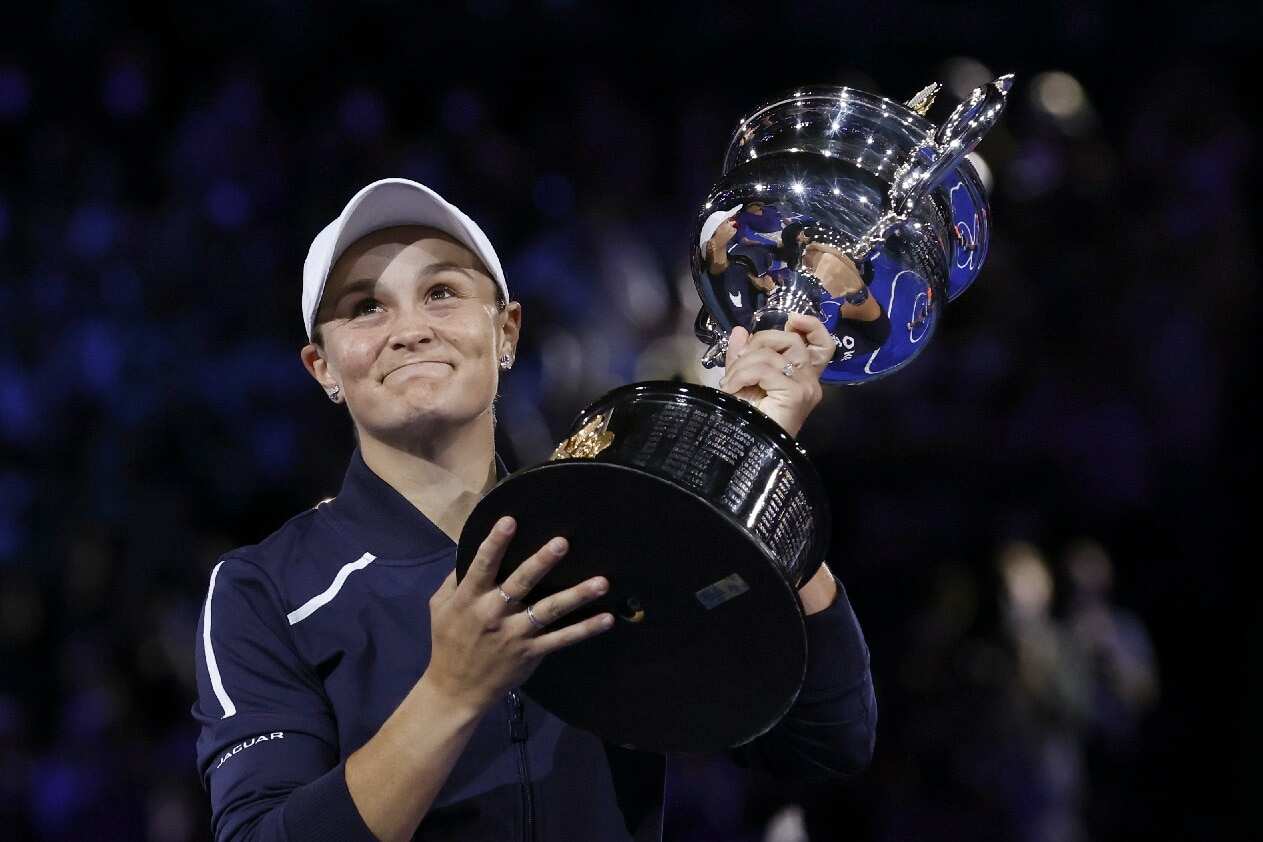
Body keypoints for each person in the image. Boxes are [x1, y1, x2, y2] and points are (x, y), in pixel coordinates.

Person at [192, 178, 877, 841]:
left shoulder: (613, 527)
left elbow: (824, 744)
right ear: (323, 368)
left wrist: (758, 470)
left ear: (507, 333)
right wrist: (450, 694)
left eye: (440, 292)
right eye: (365, 307)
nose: (409, 330)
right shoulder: (267, 591)